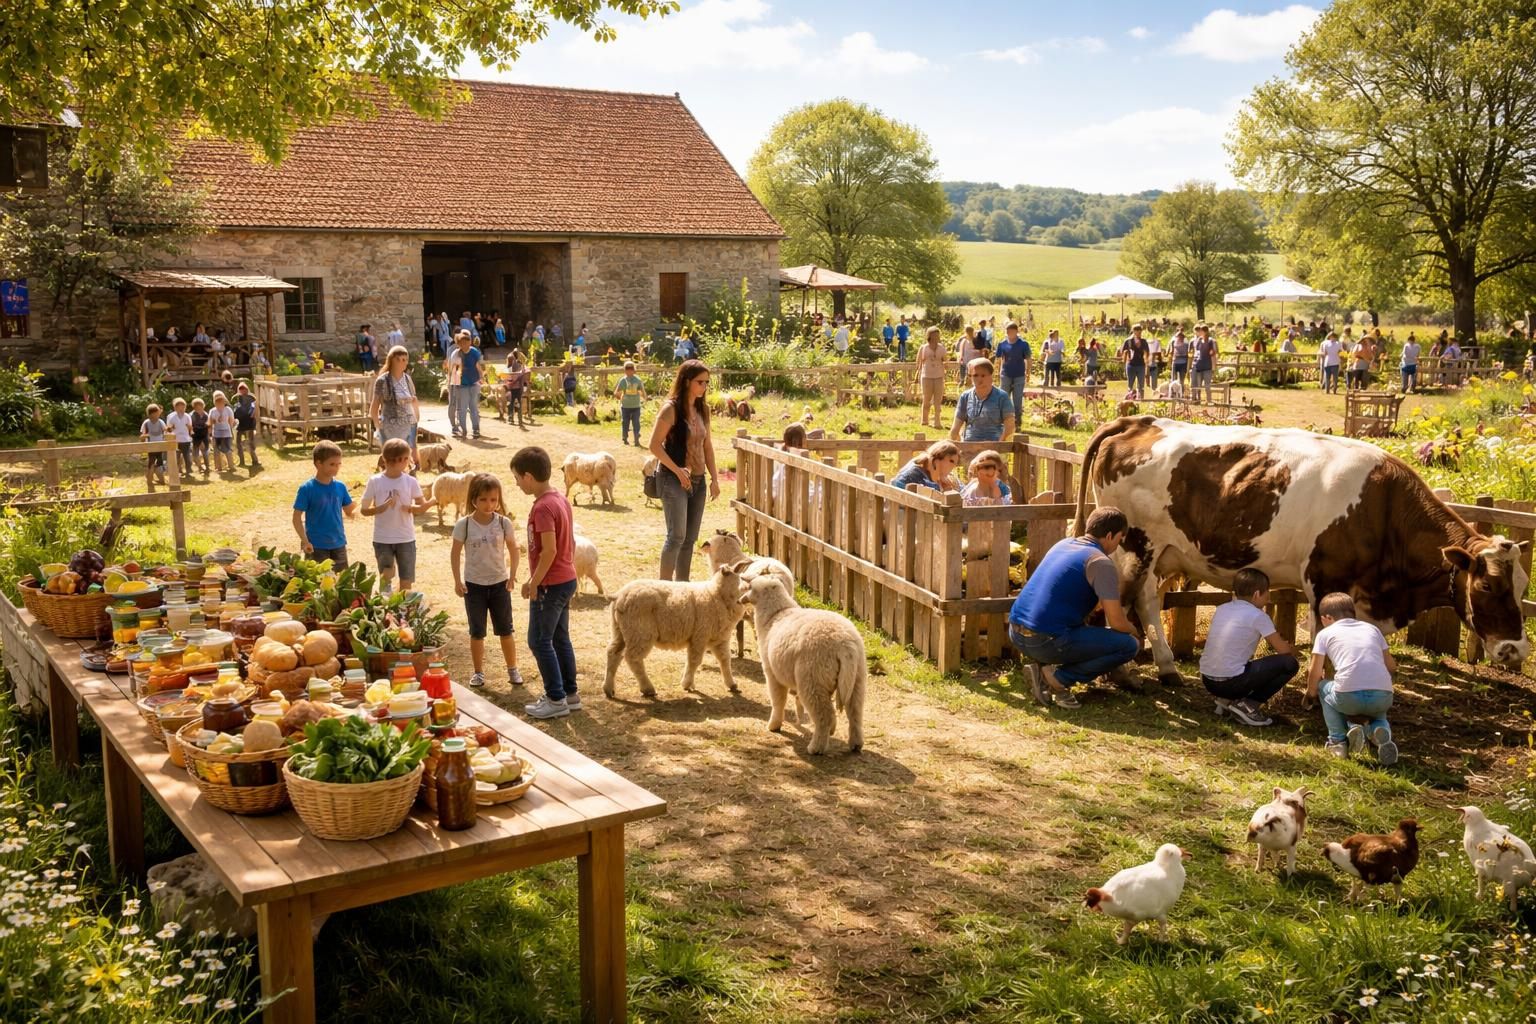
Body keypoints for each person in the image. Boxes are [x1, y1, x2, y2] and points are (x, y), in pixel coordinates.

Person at [1007, 507, 1140, 709]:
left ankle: (1043, 666)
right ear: (1110, 535)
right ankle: (1058, 679)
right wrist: (1134, 631)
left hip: (1016, 632)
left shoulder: (1064, 544)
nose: (1118, 545)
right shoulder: (1101, 563)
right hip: (1043, 641)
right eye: (1119, 539)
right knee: (1128, 644)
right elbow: (1117, 622)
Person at [512, 447, 579, 719]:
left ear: (528, 476)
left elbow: (549, 550)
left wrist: (533, 582)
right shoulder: (560, 499)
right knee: (560, 638)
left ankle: (555, 698)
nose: (516, 483)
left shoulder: (542, 508)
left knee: (539, 641)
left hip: (551, 583)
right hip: (566, 579)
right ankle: (570, 694)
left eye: (517, 477)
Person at [450, 472, 524, 690]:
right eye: (483, 499)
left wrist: (512, 575)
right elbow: (455, 553)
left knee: (506, 630)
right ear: (473, 499)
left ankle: (512, 669)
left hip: (500, 584)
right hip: (474, 586)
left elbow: (514, 548)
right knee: (477, 632)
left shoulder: (503, 523)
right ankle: (478, 672)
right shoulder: (464, 525)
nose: (489, 504)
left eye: (493, 499)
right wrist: (457, 580)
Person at [1198, 569, 1300, 727]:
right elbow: (1283, 651)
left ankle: (1225, 700)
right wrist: (1292, 649)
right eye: (1268, 593)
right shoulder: (1258, 615)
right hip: (1232, 683)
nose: (1268, 598)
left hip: (1208, 680)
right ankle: (1248, 706)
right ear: (1257, 594)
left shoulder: (1222, 608)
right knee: (1289, 664)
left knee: (1237, 660)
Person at [1306, 592, 1398, 765]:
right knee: (1378, 713)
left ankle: (1338, 742)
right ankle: (1378, 731)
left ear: (1326, 618)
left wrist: (1311, 692)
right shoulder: (1373, 630)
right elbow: (1391, 666)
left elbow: (1315, 671)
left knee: (1324, 688)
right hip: (1383, 694)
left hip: (1348, 695)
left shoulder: (1325, 634)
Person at [648, 360, 719, 580]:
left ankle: (682, 586)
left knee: (690, 538)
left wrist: (715, 479)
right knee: (676, 536)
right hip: (672, 479)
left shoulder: (703, 410)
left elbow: (707, 446)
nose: (704, 386)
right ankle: (664, 588)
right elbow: (654, 445)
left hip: (698, 480)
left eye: (707, 382)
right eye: (700, 382)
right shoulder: (671, 409)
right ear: (687, 381)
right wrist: (678, 471)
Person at [361, 438, 428, 595]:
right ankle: (387, 611)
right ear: (385, 459)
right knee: (386, 578)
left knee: (406, 580)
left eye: (405, 459)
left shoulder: (411, 481)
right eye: (402, 459)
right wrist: (381, 508)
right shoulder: (375, 481)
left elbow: (422, 507)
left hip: (406, 538)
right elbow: (364, 510)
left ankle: (404, 613)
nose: (404, 462)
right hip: (383, 538)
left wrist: (413, 508)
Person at [292, 440, 356, 566]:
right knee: (318, 583)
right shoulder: (307, 488)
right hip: (316, 546)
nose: (336, 468)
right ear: (318, 463)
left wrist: (359, 503)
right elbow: (296, 517)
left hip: (339, 544)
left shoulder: (340, 486)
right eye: (332, 464)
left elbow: (349, 511)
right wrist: (305, 541)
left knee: (342, 582)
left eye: (339, 464)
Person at [371, 346, 421, 467]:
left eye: (405, 359)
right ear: (391, 360)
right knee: (393, 459)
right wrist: (378, 425)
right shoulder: (382, 380)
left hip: (409, 422)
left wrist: (415, 408)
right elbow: (374, 405)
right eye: (398, 359)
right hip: (390, 424)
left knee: (412, 459)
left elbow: (414, 401)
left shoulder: (408, 379)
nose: (402, 363)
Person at [950, 358, 1015, 444]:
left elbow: (1010, 427)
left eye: (983, 375)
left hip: (994, 448)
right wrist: (958, 445)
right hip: (969, 446)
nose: (979, 379)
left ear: (991, 375)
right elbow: (955, 428)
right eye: (975, 375)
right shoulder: (965, 397)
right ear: (970, 376)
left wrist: (1000, 445)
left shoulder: (1002, 397)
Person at [890, 440, 960, 493]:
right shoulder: (916, 475)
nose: (953, 466)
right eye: (951, 461)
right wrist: (945, 491)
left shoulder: (923, 469)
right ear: (937, 459)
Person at [993, 322, 1031, 416]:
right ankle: (1003, 418)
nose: (1009, 333)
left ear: (1016, 331)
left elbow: (1028, 359)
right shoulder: (1002, 344)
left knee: (1017, 398)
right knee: (1003, 397)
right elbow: (998, 359)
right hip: (1005, 374)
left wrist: (1028, 372)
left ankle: (1017, 420)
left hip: (1019, 375)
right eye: (1007, 331)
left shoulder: (1023, 344)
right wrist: (996, 372)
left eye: (1011, 331)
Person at [917, 326, 947, 429]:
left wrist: (945, 368)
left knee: (938, 401)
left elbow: (945, 361)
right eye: (934, 335)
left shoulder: (942, 348)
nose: (936, 337)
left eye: (938, 335)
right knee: (927, 399)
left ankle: (937, 421)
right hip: (926, 376)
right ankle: (924, 420)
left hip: (938, 376)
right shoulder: (923, 348)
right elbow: (919, 362)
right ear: (929, 336)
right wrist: (918, 374)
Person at [614, 360, 647, 445]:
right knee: (625, 422)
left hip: (636, 405)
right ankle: (625, 438)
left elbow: (642, 391)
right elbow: (616, 392)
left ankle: (636, 439)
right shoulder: (623, 380)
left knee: (636, 423)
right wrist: (619, 397)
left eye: (631, 368)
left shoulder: (637, 380)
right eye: (627, 368)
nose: (629, 370)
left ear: (634, 369)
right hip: (625, 406)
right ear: (625, 370)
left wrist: (644, 398)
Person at [233, 381, 260, 469]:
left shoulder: (251, 398)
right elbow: (236, 411)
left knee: (250, 443)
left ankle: (255, 460)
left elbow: (253, 410)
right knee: (238, 443)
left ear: (246, 389)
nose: (242, 391)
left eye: (243, 389)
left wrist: (252, 413)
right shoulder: (237, 399)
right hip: (241, 423)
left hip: (249, 423)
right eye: (240, 389)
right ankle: (241, 461)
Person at [208, 392, 236, 474]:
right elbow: (209, 422)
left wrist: (230, 430)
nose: (219, 402)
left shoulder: (228, 409)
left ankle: (231, 466)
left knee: (227, 449)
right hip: (216, 434)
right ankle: (218, 467)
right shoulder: (212, 411)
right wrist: (215, 421)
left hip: (226, 433)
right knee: (216, 451)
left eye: (220, 400)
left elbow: (231, 420)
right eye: (217, 401)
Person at [140, 403, 168, 484]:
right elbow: (142, 435)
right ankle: (149, 479)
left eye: (158, 412)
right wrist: (144, 439)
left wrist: (169, 429)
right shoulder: (146, 423)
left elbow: (165, 431)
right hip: (150, 446)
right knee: (151, 463)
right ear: (150, 414)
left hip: (160, 446)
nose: (157, 415)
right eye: (155, 413)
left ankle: (161, 479)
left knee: (159, 463)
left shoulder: (161, 422)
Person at [166, 397, 194, 478]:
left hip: (185, 439)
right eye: (179, 406)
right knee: (176, 457)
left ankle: (188, 471)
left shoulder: (187, 416)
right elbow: (168, 429)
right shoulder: (171, 416)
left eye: (183, 406)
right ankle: (177, 471)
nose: (181, 408)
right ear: (175, 407)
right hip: (175, 440)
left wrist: (190, 429)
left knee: (187, 457)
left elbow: (190, 428)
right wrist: (171, 428)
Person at [1121, 324, 1150, 397]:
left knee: (1141, 384)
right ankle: (1131, 397)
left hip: (1141, 365)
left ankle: (1141, 398)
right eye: (1137, 331)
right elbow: (1123, 352)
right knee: (1130, 384)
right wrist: (1124, 363)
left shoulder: (1143, 341)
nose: (1139, 333)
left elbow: (1147, 353)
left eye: (1140, 331)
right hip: (1131, 365)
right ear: (1134, 331)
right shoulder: (1128, 341)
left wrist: (1147, 364)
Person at [501, 349, 528, 427]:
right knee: (514, 403)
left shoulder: (515, 366)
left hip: (514, 388)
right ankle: (515, 418)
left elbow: (513, 378)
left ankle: (515, 418)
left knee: (513, 403)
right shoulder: (518, 365)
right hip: (516, 387)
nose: (509, 360)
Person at [1191, 324, 1217, 403]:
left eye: (1201, 331)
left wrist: (1213, 367)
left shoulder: (1210, 341)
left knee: (1207, 385)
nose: (1199, 332)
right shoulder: (1199, 341)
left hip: (1207, 366)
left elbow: (1213, 354)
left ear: (1205, 332)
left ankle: (1209, 400)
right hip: (1199, 366)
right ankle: (1198, 400)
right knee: (1198, 384)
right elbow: (1197, 352)